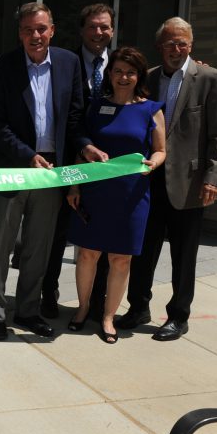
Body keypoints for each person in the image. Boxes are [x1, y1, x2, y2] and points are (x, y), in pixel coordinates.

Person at [0, 2, 107, 341]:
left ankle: (27, 310)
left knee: (39, 246)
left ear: (52, 29)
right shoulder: (0, 67)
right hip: (12, 166)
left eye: (41, 29)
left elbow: (75, 118)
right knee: (1, 244)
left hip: (53, 170)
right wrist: (28, 155)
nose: (35, 36)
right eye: (27, 30)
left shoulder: (68, 63)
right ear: (19, 33)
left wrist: (85, 147)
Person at [117, 17, 217, 341]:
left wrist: (214, 177)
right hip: (149, 182)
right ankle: (138, 306)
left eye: (182, 43)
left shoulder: (211, 79)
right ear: (159, 47)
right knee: (144, 250)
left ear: (191, 45)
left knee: (183, 255)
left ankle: (178, 316)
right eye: (170, 43)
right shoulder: (148, 79)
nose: (176, 49)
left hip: (191, 183)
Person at [66, 47, 166, 343]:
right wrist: (73, 186)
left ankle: (109, 317)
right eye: (119, 71)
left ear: (139, 76)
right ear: (110, 74)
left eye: (130, 72)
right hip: (96, 191)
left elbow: (161, 150)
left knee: (121, 258)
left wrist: (154, 163)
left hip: (132, 194)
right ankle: (83, 309)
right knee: (87, 254)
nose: (124, 77)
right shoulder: (96, 107)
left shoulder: (151, 109)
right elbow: (80, 147)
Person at [42, 3, 115, 319]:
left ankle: (97, 300)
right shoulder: (65, 63)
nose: (99, 33)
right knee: (57, 234)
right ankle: (49, 292)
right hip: (68, 159)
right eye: (93, 27)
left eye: (105, 27)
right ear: (82, 30)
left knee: (101, 235)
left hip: (108, 165)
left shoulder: (122, 65)